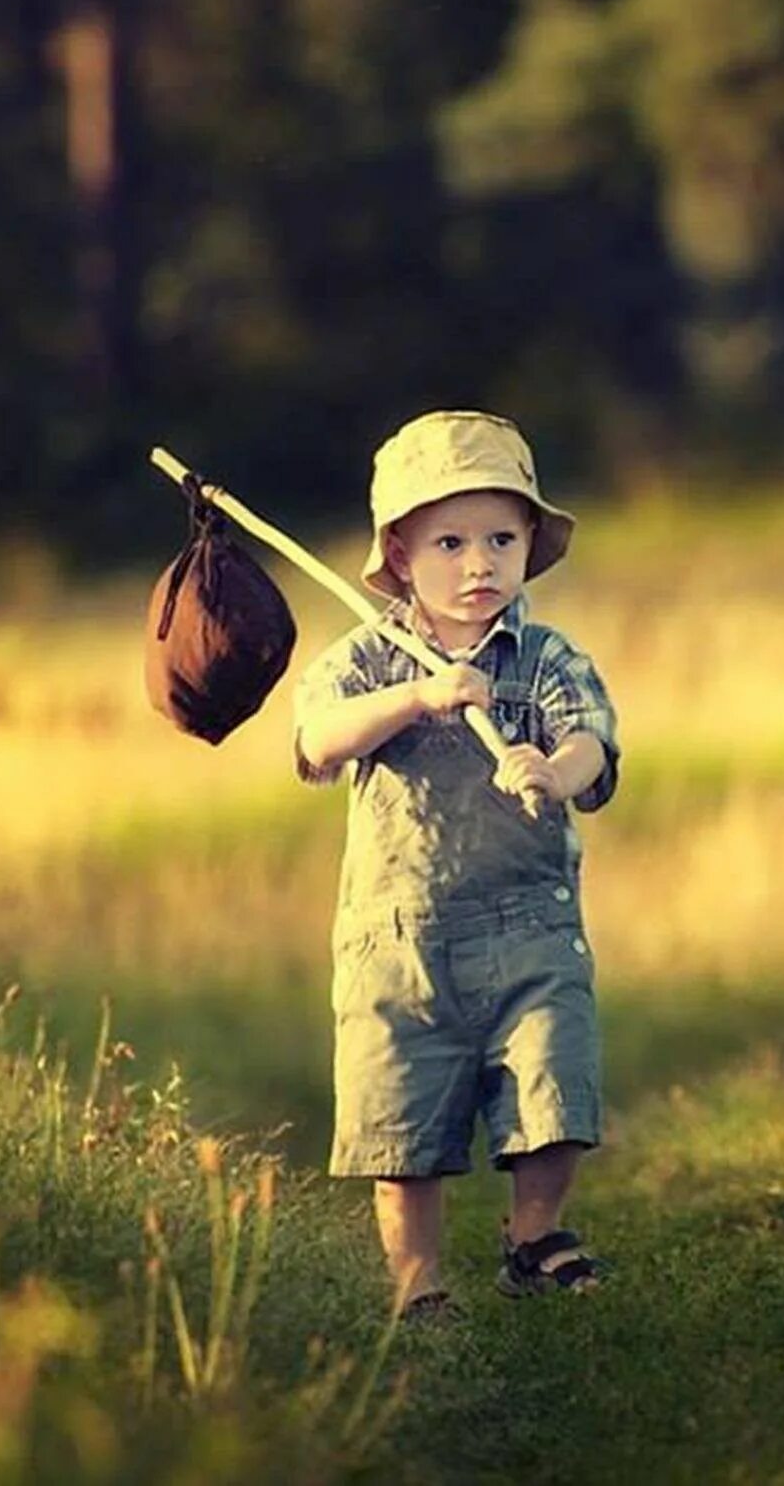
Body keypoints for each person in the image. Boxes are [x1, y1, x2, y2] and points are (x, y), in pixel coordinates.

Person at [291, 409, 621, 1319]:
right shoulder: (365, 661)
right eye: (449, 542)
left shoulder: (547, 656)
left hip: (531, 924)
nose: (479, 564)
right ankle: (417, 1282)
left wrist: (552, 770)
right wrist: (417, 695)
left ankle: (535, 1232)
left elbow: (594, 737)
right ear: (399, 556)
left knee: (552, 1088)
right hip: (398, 935)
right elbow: (317, 740)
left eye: (501, 539)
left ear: (527, 547)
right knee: (401, 1126)